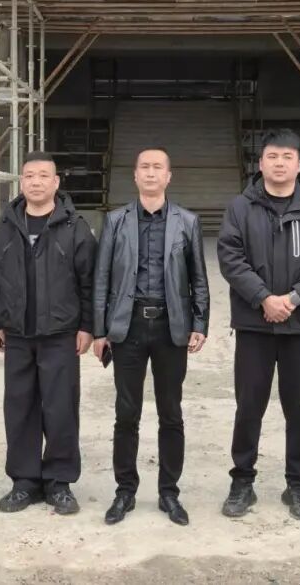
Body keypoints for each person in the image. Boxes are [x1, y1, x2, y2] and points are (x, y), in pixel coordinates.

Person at [216, 129, 300, 520]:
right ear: (261, 163)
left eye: (287, 157)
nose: (279, 163)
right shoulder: (241, 207)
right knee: (248, 406)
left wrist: (294, 298)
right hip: (254, 326)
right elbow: (230, 256)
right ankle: (242, 481)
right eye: (272, 156)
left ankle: (298, 485)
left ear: (299, 165)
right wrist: (263, 298)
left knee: (299, 408)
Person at [92, 147, 210, 527]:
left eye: (158, 167)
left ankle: (169, 492)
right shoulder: (115, 221)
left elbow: (199, 278)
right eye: (144, 166)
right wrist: (99, 330)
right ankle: (124, 491)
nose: (151, 172)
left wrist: (199, 323)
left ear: (168, 176)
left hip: (170, 327)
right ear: (135, 175)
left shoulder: (187, 222)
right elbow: (101, 277)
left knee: (170, 412)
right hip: (127, 326)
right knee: (126, 413)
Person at [0, 151, 96, 516]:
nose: (36, 182)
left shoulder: (75, 227)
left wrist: (87, 326)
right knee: (19, 408)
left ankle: (59, 481)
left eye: (43, 175)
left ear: (56, 182)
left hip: (60, 334)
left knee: (61, 408)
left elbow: (90, 281)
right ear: (21, 182)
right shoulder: (5, 227)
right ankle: (25, 481)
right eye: (29, 175)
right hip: (17, 335)